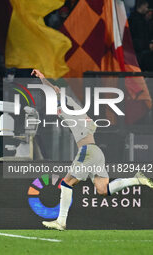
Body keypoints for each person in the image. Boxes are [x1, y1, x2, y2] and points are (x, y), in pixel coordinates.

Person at [31, 69, 153, 231]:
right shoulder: (80, 113)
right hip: (96, 153)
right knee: (103, 190)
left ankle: (61, 221)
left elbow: (54, 91)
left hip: (87, 151)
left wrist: (43, 79)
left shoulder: (68, 107)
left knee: (66, 183)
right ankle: (136, 180)